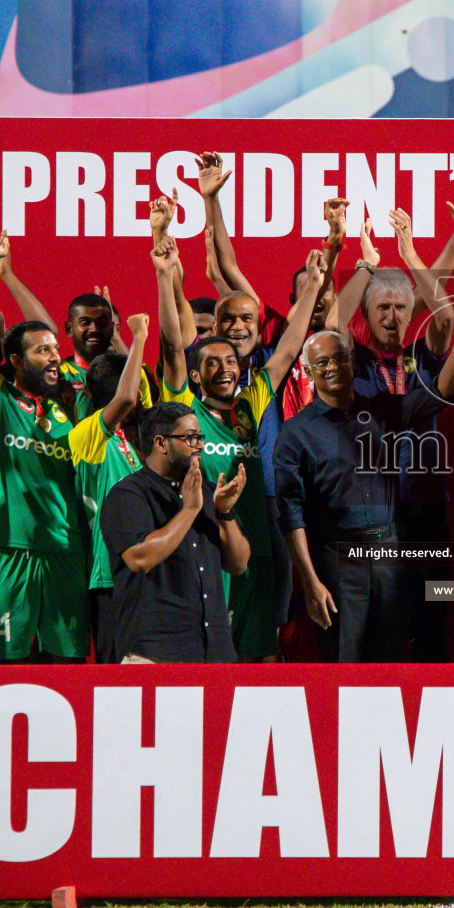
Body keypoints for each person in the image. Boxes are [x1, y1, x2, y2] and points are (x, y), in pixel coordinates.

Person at [274, 314, 454, 662]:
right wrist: (309, 581)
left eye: (339, 357)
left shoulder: (383, 410)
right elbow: (291, 513)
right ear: (309, 371)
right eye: (322, 362)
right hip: (336, 563)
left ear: (352, 362)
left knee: (392, 665)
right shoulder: (296, 432)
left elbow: (442, 391)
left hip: (390, 558)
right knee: (343, 667)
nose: (333, 366)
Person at [161, 244, 326, 661]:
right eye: (212, 362)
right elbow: (172, 345)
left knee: (263, 654)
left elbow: (288, 350)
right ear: (196, 374)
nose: (225, 368)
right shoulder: (184, 407)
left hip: (258, 551)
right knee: (207, 659)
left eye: (230, 361)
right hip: (205, 552)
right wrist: (167, 277)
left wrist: (313, 289)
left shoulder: (251, 405)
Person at [0, 236, 91, 662]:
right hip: (9, 548)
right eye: (42, 352)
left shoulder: (71, 402)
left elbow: (44, 330)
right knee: (10, 662)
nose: (55, 357)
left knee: (67, 662)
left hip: (66, 548)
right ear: (15, 360)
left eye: (57, 349)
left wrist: (10, 277)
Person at [100, 403, 250, 664]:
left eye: (200, 437)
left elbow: (238, 565)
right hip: (154, 655)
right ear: (161, 443)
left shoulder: (208, 492)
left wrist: (225, 513)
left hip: (213, 653)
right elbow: (140, 559)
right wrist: (190, 510)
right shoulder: (128, 494)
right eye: (191, 438)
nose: (200, 445)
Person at [70, 296, 153, 664]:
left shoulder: (134, 445)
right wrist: (137, 337)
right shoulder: (86, 437)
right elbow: (123, 397)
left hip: (145, 570)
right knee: (115, 677)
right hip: (109, 576)